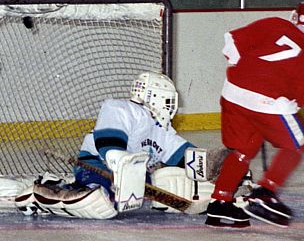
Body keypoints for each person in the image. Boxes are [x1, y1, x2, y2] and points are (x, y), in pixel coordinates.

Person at [14, 71, 220, 219]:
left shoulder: (163, 131)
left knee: (168, 179)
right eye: (167, 100)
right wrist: (121, 162)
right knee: (99, 203)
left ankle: (79, 187)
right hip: (97, 164)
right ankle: (41, 193)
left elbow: (190, 158)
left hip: (132, 174)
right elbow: (109, 143)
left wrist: (223, 169)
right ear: (153, 96)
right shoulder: (122, 109)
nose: (170, 106)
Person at [205, 0, 304, 228]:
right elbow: (292, 105)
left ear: (295, 16)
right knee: (299, 142)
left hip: (232, 92)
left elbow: (231, 44)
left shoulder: (275, 23)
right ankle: (265, 193)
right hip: (268, 102)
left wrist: (246, 75)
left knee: (245, 148)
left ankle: (220, 202)